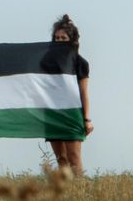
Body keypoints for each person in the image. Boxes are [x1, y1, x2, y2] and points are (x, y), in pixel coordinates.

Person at [48, 14, 92, 177]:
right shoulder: (46, 63)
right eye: (56, 38)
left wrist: (87, 119)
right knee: (61, 159)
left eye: (63, 38)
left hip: (72, 113)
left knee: (74, 158)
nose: (59, 41)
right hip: (52, 114)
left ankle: (80, 192)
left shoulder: (80, 63)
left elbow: (83, 93)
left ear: (71, 40)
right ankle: (66, 192)